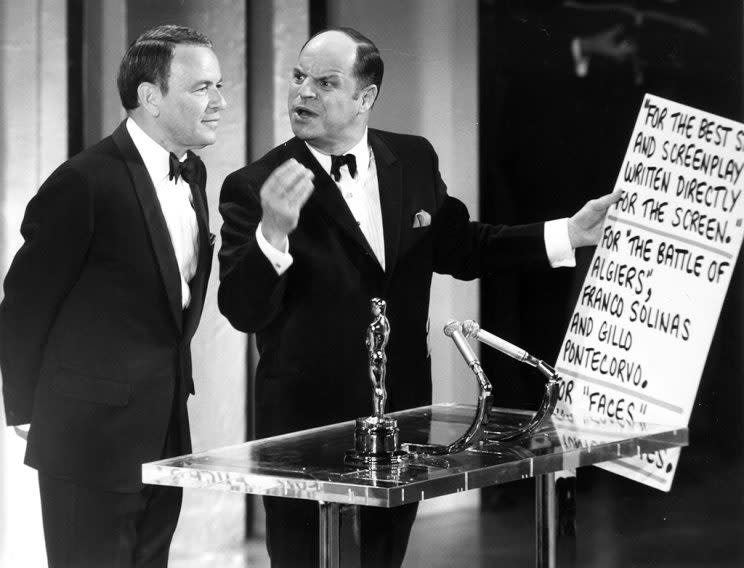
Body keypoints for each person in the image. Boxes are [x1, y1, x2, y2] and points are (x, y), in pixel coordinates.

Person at [218, 27, 618, 568]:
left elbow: (465, 248)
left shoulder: (412, 158)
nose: (302, 93)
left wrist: (567, 233)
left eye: (325, 82)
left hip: (403, 419)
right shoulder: (255, 183)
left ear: (366, 97)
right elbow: (241, 310)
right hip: (304, 429)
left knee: (383, 558)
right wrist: (273, 233)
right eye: (298, 78)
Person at [0, 24, 226, 567]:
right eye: (202, 88)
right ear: (150, 97)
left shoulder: (193, 174)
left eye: (220, 86)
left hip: (166, 433)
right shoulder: (83, 181)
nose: (220, 102)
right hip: (87, 442)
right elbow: (23, 301)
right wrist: (28, 410)